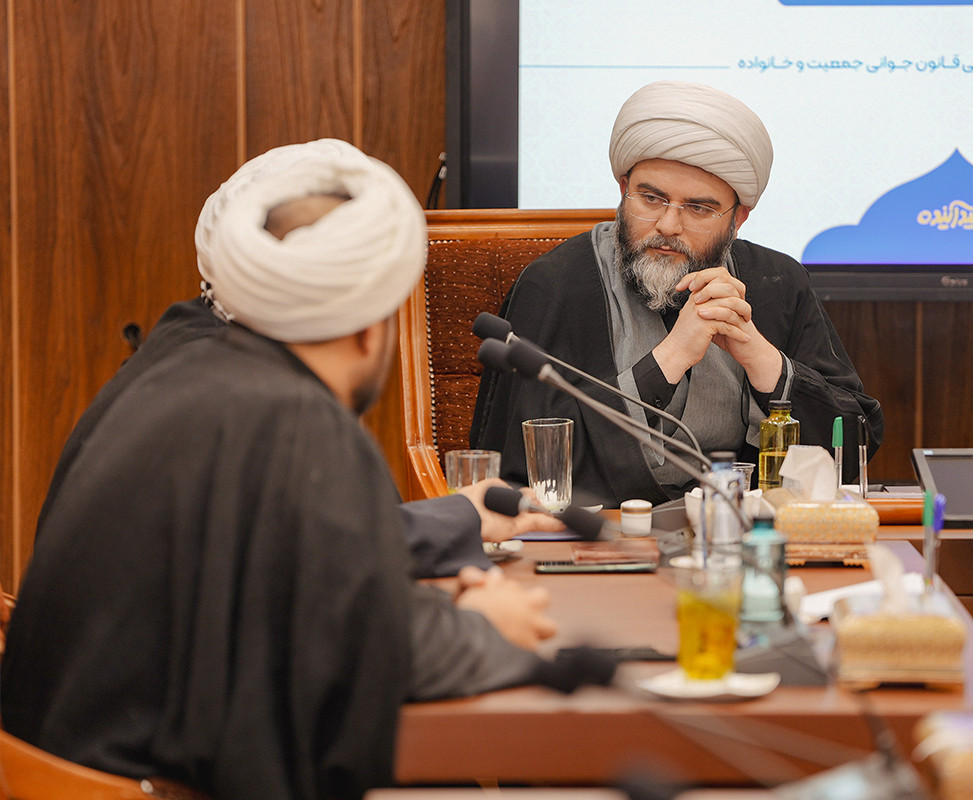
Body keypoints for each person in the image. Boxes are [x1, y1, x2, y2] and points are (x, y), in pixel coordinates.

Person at [1, 139, 559, 800]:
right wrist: (485, 628)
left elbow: (302, 589)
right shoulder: (294, 416)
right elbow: (353, 654)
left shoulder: (181, 362)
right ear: (370, 328)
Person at [35, 142, 562, 578]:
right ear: (365, 326)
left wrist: (458, 516)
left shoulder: (188, 354)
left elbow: (311, 545)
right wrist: (486, 624)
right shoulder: (280, 412)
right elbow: (341, 611)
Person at [471, 81, 884, 507]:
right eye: (651, 199)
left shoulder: (777, 281)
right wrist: (670, 358)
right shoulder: (557, 284)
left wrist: (760, 358)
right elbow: (522, 465)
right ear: (623, 190)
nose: (668, 225)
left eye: (699, 208)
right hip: (605, 532)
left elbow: (852, 446)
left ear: (738, 219)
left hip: (747, 529)